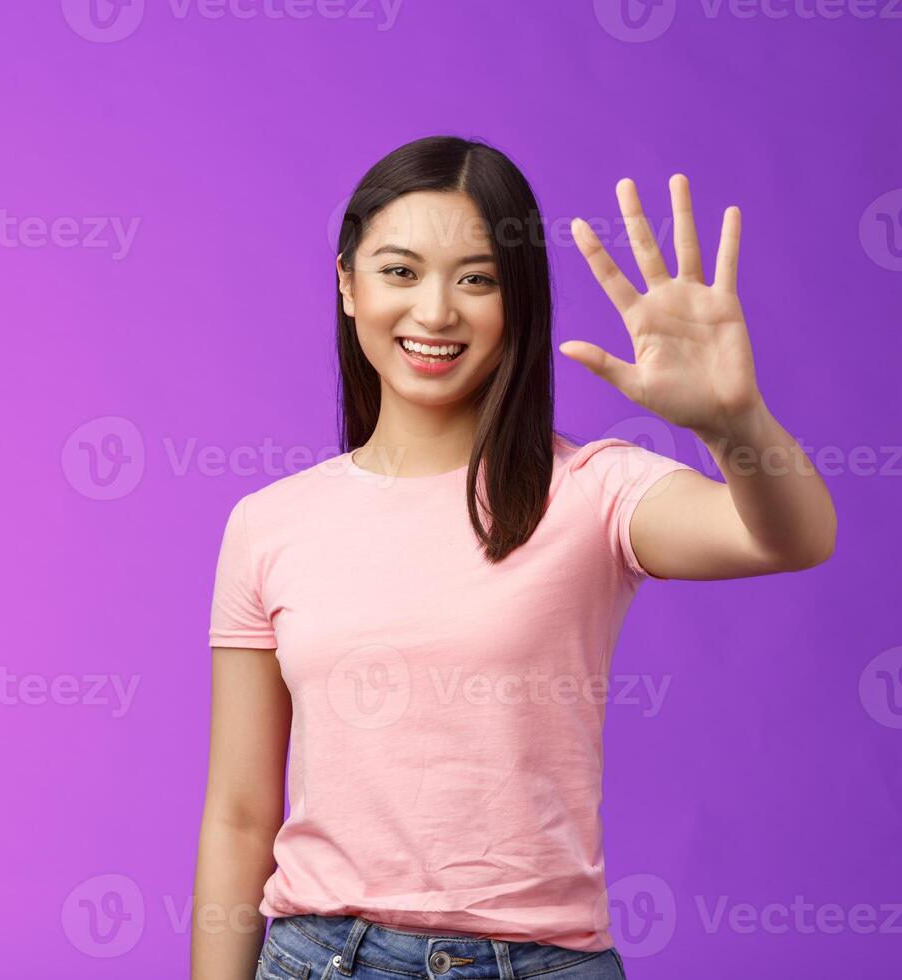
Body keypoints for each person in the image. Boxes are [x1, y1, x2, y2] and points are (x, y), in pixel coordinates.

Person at [191, 135, 837, 980]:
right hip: (318, 960)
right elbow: (239, 815)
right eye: (399, 271)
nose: (434, 312)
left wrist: (733, 423)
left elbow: (792, 536)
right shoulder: (267, 523)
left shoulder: (597, 492)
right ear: (347, 283)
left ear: (518, 302)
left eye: (477, 278)